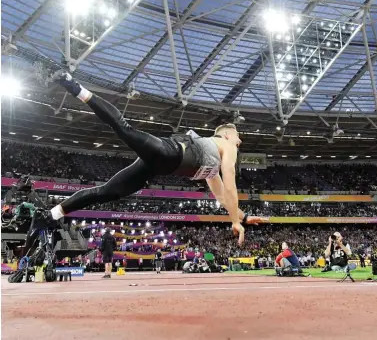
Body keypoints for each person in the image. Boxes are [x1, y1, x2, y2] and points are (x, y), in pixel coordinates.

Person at [28, 70, 267, 247]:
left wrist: (241, 216)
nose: (240, 141)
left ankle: (51, 215)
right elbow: (232, 184)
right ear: (226, 133)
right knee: (124, 129)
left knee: (106, 192)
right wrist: (235, 221)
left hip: (156, 166)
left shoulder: (212, 167)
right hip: (169, 151)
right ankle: (73, 85)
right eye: (238, 136)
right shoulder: (226, 145)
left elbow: (222, 195)